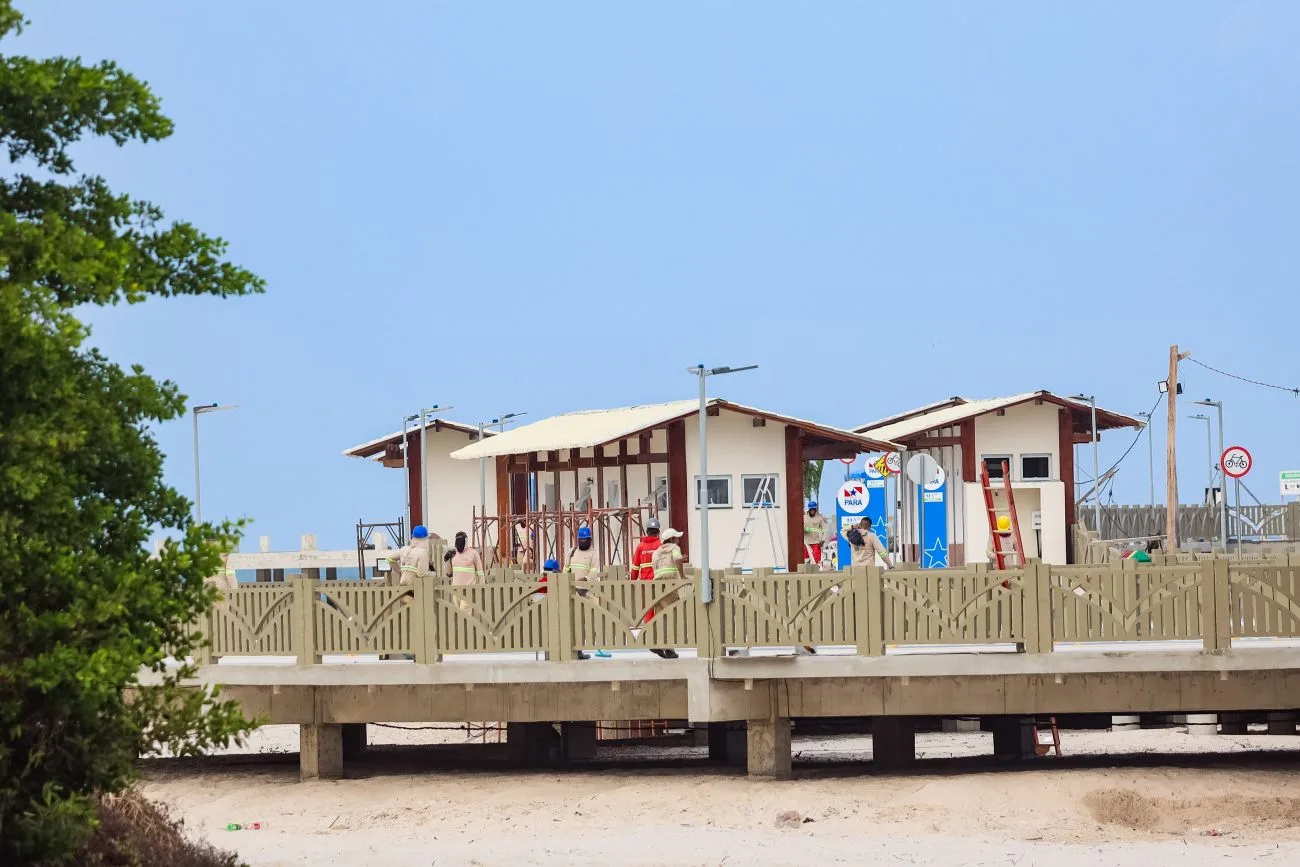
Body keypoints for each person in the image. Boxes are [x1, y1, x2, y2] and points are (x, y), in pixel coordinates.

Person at [645, 528, 684, 659]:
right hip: (669, 586)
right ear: (672, 539)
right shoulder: (674, 548)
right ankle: (668, 648)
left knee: (660, 616)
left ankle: (657, 642)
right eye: (676, 537)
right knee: (672, 616)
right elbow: (678, 559)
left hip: (657, 586)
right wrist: (682, 575)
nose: (678, 540)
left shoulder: (656, 552)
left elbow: (654, 567)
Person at [803, 500, 830, 565]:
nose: (812, 511)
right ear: (809, 509)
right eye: (811, 509)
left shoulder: (819, 518)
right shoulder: (804, 517)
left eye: (814, 509)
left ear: (816, 510)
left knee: (817, 561)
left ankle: (816, 573)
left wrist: (823, 540)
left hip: (816, 542)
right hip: (806, 543)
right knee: (806, 560)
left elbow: (824, 529)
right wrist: (805, 529)